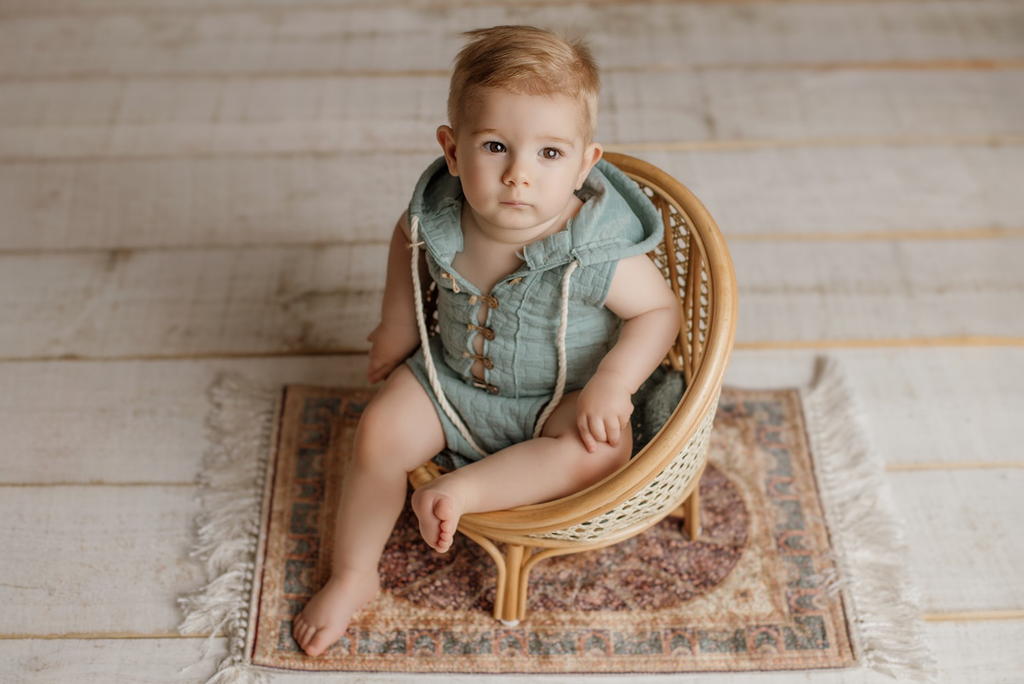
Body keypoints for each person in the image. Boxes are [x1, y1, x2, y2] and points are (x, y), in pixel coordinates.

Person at [292, 25, 681, 657]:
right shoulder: (442, 217)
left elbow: (659, 312)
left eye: (549, 154)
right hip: (451, 381)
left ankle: (460, 490)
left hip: (562, 394)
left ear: (587, 162)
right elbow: (405, 240)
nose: (518, 176)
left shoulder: (594, 248)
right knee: (378, 434)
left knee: (602, 451)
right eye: (496, 146)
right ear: (451, 150)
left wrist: (614, 382)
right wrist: (396, 323)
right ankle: (354, 574)